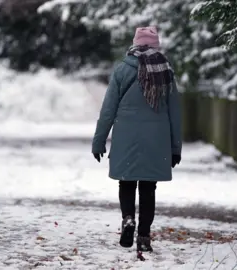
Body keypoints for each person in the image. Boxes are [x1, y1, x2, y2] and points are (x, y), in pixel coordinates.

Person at [91, 26, 182, 253]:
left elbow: (108, 109)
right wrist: (175, 147)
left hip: (126, 136)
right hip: (156, 139)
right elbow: (174, 113)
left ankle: (128, 219)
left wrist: (99, 141)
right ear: (156, 45)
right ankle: (143, 235)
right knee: (149, 187)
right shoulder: (165, 71)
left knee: (127, 182)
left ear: (135, 44)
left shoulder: (122, 69)